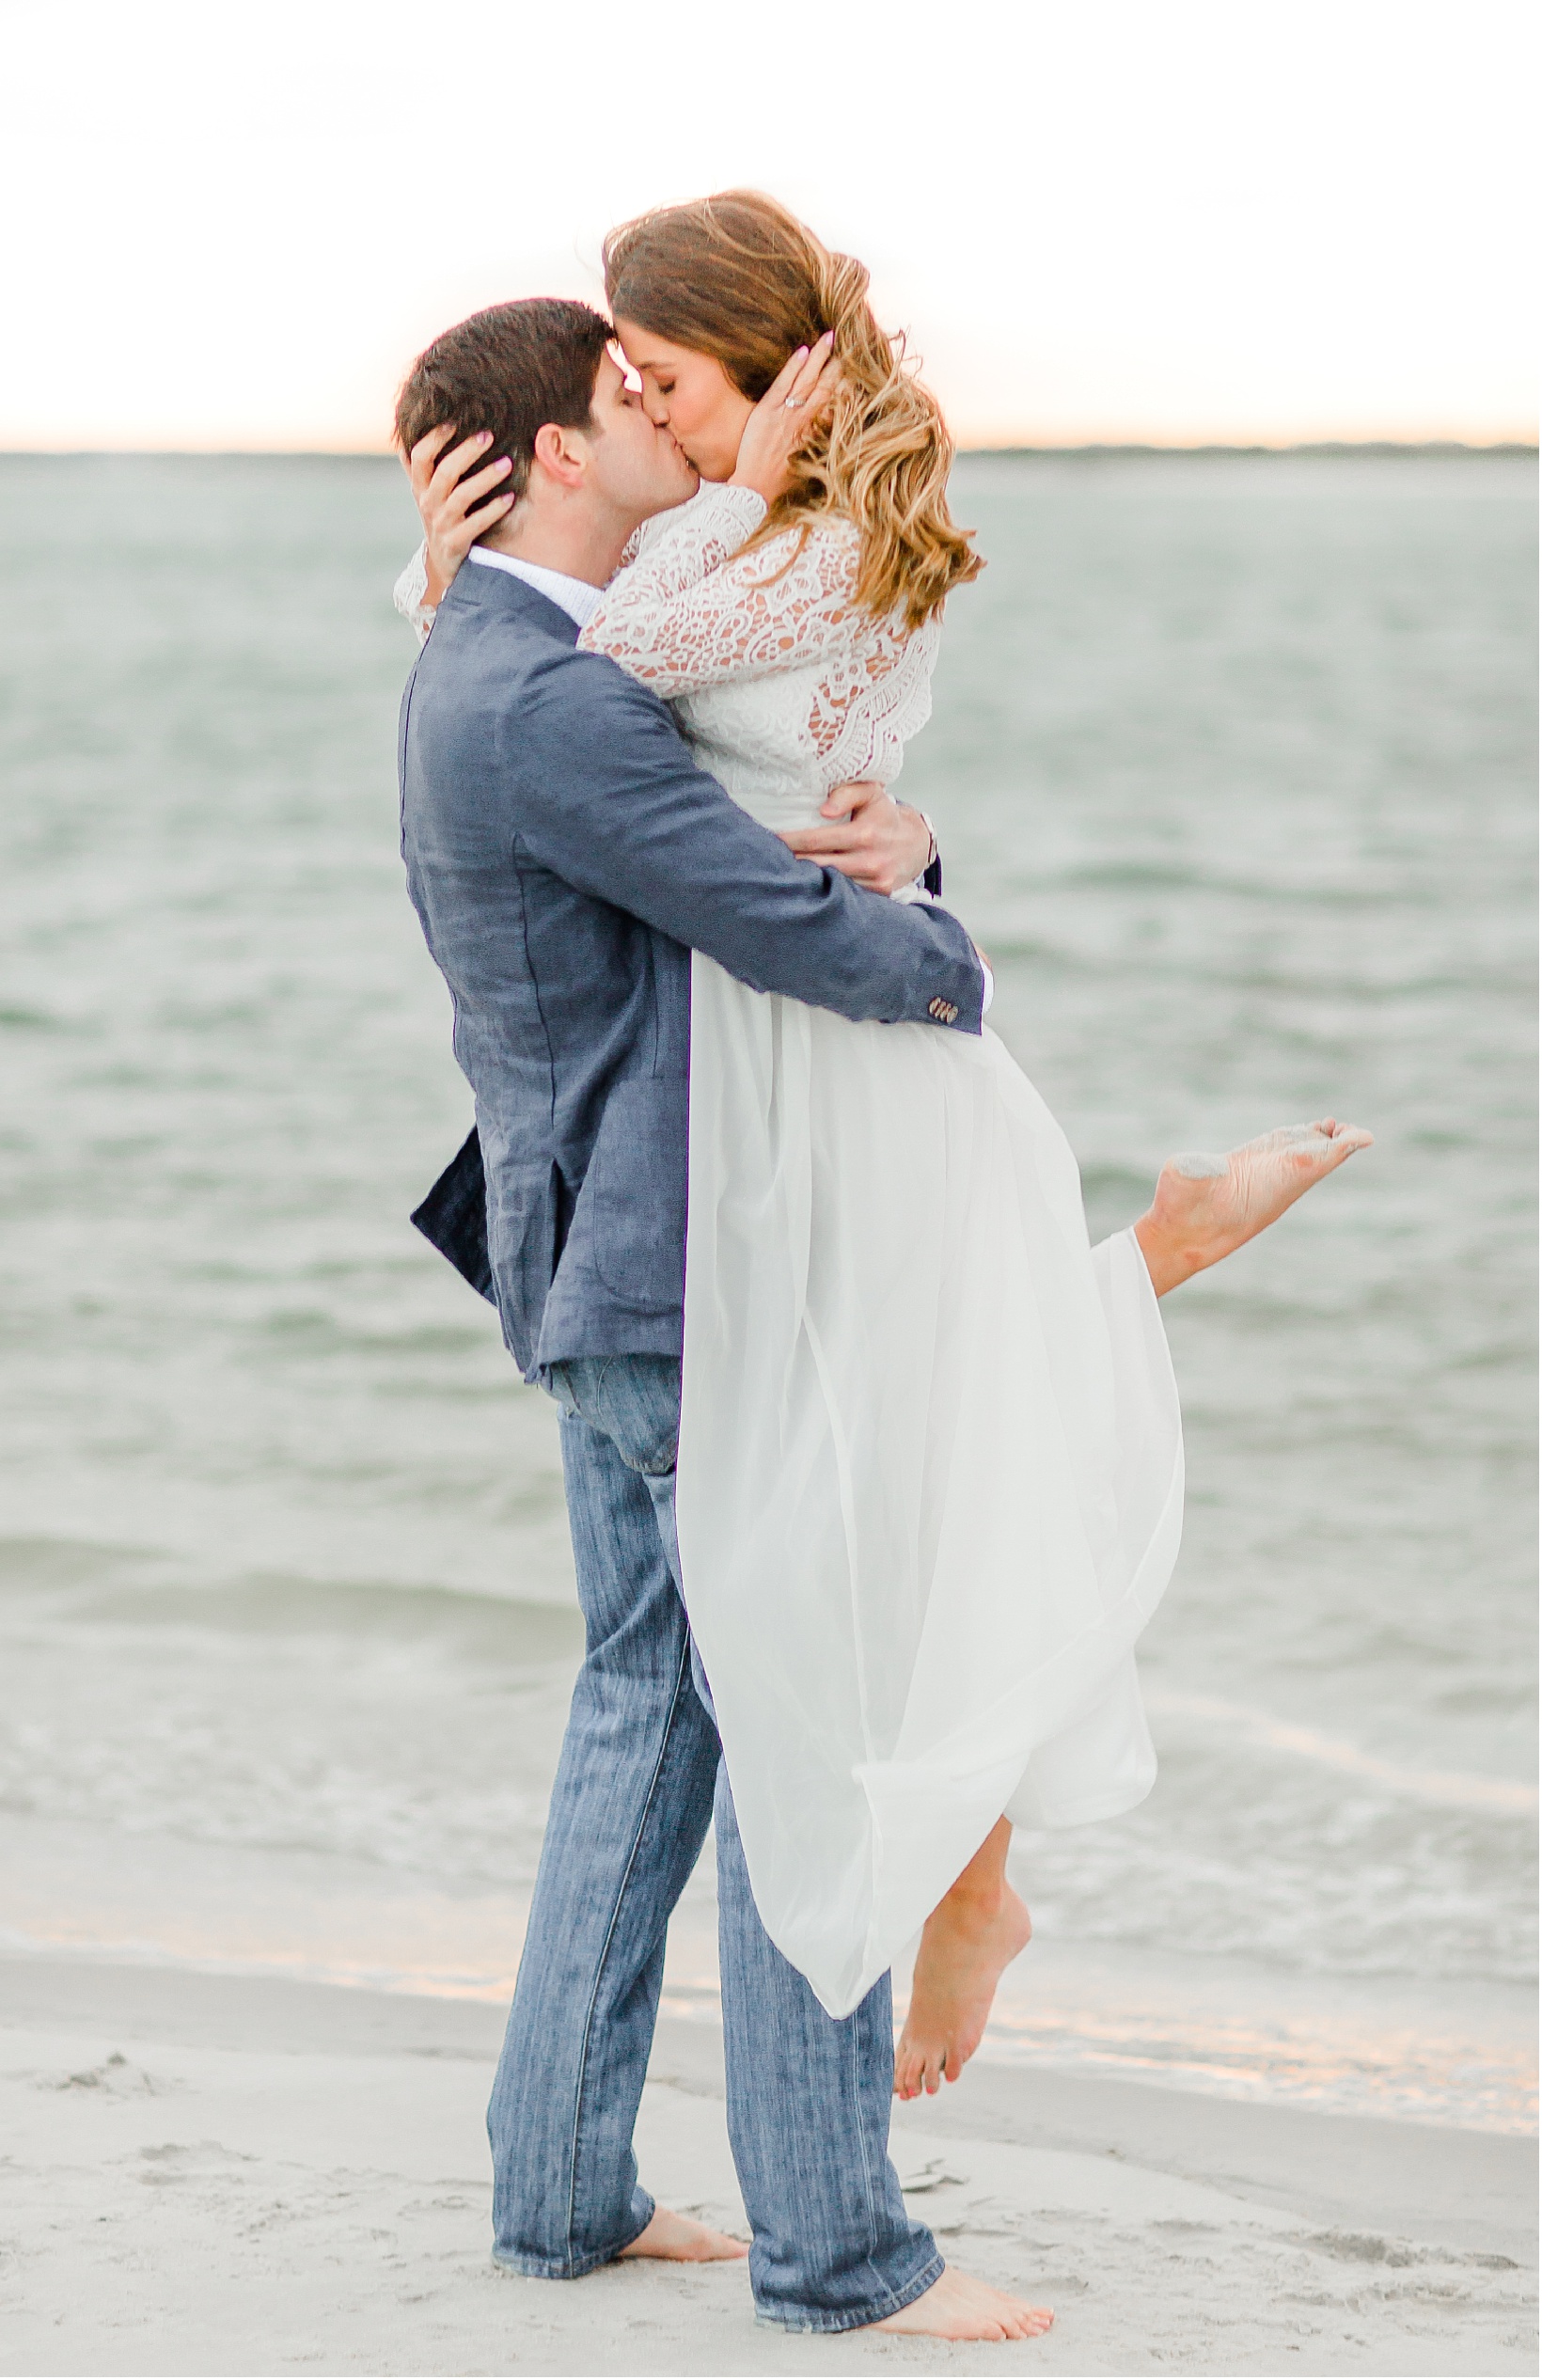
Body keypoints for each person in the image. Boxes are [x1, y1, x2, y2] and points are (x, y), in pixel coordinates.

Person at [399, 194, 1372, 2141]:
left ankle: (576, 2177)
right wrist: (938, 934)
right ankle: (835, 2213)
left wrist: (453, 587)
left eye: (679, 374)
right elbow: (697, 811)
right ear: (575, 449)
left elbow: (687, 731)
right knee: (833, 1648)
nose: (670, 417)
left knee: (716, 1668)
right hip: (720, 1181)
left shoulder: (666, 602)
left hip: (725, 1163)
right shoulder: (577, 651)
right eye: (637, 392)